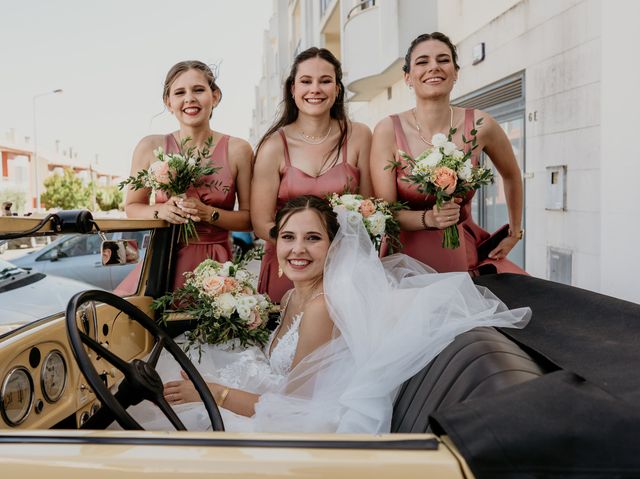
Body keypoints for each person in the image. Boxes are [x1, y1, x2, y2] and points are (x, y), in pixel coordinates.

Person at [123, 195, 530, 433]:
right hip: (273, 395)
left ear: (334, 248)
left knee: (151, 422)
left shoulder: (321, 307)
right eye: (288, 237)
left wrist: (214, 393)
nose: (297, 249)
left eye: (313, 238)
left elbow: (291, 411)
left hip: (300, 426)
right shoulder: (291, 298)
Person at [370, 32, 525, 274]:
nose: (434, 67)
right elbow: (386, 211)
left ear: (455, 72)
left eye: (443, 60)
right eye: (422, 62)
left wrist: (515, 232)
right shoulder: (387, 130)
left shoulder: (481, 125)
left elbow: (512, 174)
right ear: (408, 77)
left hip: (464, 254)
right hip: (405, 260)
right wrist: (429, 219)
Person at [251, 47, 373, 303]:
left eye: (325, 81)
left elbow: (370, 208)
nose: (315, 89)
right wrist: (302, 250)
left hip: (345, 268)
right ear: (293, 89)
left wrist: (331, 250)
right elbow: (261, 223)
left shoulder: (360, 136)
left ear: (337, 89)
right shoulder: (273, 146)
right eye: (306, 81)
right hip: (289, 266)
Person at [122, 60, 252, 291]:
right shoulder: (150, 146)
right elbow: (132, 207)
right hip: (164, 262)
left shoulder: (238, 149)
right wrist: (161, 210)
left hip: (216, 267)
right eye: (180, 92)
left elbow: (249, 219)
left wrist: (208, 213)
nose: (189, 99)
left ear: (216, 96)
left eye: (198, 90)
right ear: (168, 102)